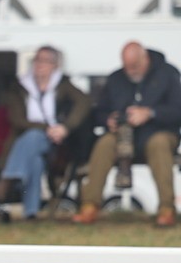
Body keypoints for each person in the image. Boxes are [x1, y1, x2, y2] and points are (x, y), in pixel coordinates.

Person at [73, 42, 181, 228]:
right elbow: (98, 112)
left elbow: (177, 110)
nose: (130, 71)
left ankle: (166, 208)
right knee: (105, 143)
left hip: (159, 131)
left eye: (135, 66)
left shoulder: (168, 74)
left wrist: (150, 113)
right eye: (127, 66)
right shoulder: (116, 78)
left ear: (145, 58)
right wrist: (109, 119)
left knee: (159, 144)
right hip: (123, 135)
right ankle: (90, 205)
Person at [0, 46, 91, 220]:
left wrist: (65, 127)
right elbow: (17, 119)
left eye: (45, 61)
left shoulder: (63, 85)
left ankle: (8, 179)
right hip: (24, 140)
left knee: (34, 140)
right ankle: (31, 212)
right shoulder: (20, 88)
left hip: (57, 144)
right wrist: (45, 128)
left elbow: (84, 102)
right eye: (37, 60)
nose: (40, 65)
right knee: (35, 158)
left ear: (55, 65)